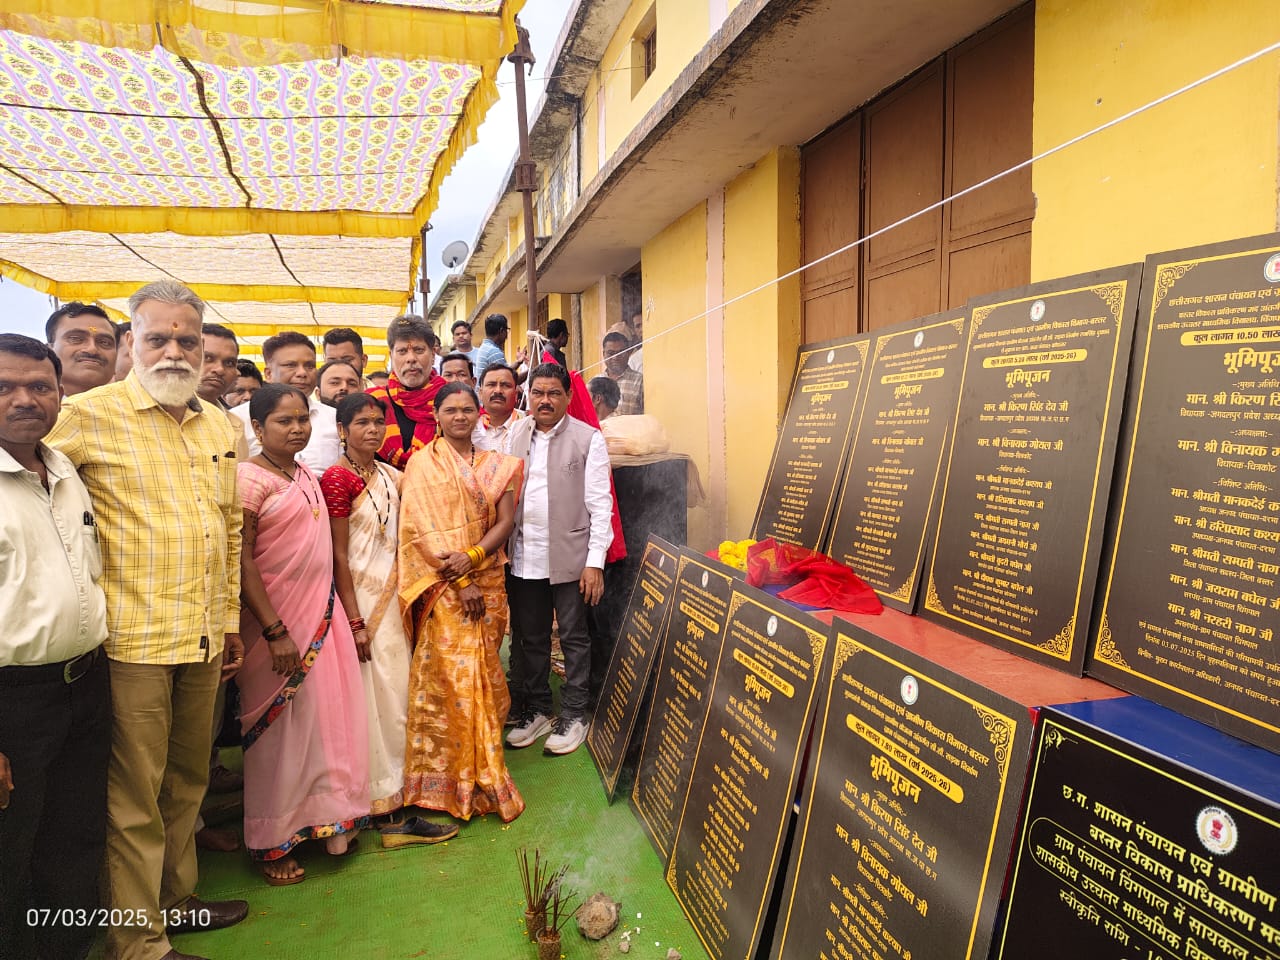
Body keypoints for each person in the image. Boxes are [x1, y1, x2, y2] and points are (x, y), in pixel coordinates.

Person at [45, 279, 249, 960]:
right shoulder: (85, 415)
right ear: (131, 341)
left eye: (186, 340)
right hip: (133, 639)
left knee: (187, 780)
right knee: (133, 794)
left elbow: (229, 528)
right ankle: (136, 942)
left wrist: (227, 620)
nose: (173, 352)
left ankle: (176, 901)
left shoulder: (218, 424)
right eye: (158, 338)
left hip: (202, 633)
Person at [0, 335, 110, 960]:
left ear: (60, 393)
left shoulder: (65, 472)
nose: (24, 399)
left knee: (73, 836)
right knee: (11, 848)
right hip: (13, 700)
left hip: (85, 684)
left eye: (39, 386)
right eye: (4, 387)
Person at [236, 384, 370, 885]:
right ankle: (271, 841)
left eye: (302, 420)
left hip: (321, 619)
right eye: (283, 421)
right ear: (257, 427)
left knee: (323, 724)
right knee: (280, 736)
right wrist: (274, 631)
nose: (297, 429)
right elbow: (242, 560)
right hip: (273, 629)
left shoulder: (305, 475)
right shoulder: (249, 480)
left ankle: (328, 824)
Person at [399, 382, 525, 820]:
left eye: (467, 409)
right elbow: (419, 532)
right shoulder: (420, 465)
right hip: (444, 588)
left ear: (478, 414)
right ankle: (446, 778)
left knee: (486, 676)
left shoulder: (500, 465)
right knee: (451, 680)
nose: (459, 417)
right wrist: (459, 579)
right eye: (450, 410)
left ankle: (482, 770)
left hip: (487, 581)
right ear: (436, 415)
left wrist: (471, 559)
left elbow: (505, 522)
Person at [505, 363, 612, 756]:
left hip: (571, 556)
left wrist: (595, 562)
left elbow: (601, 505)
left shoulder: (588, 439)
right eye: (538, 393)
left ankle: (575, 713)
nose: (545, 400)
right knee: (531, 637)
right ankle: (537, 710)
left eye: (553, 393)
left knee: (573, 637)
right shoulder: (516, 434)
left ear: (568, 396)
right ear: (528, 396)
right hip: (524, 554)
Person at [319, 393, 414, 821]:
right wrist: (355, 621)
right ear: (342, 430)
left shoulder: (388, 474)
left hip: (394, 597)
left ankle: (402, 780)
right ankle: (378, 790)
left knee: (397, 689)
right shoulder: (337, 479)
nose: (373, 430)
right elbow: (339, 556)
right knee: (371, 693)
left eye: (378, 422)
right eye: (362, 422)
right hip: (360, 600)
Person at [229, 331, 341, 474]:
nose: (302, 373)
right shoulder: (236, 419)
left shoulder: (334, 417)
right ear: (268, 374)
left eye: (309, 366)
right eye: (291, 365)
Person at [366, 316, 446, 468]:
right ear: (391, 355)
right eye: (402, 351)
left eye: (419, 350)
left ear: (433, 355)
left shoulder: (451, 400)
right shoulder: (372, 403)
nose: (411, 358)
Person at [45, 301, 118, 397]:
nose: (92, 349)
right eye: (75, 339)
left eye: (105, 342)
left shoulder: (132, 404)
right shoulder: (30, 403)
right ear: (50, 351)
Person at [476, 363, 524, 454]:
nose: (498, 391)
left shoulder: (528, 425)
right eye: (491, 384)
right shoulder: (468, 425)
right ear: (480, 393)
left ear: (516, 394)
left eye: (505, 385)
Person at [603, 331, 644, 416]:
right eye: (610, 353)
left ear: (628, 353)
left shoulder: (640, 381)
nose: (615, 357)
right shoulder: (595, 382)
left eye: (620, 353)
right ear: (604, 354)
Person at [473, 313, 509, 385]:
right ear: (502, 331)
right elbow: (507, 380)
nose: (507, 336)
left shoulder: (485, 347)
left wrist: (518, 362)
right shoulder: (494, 352)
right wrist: (530, 371)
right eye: (507, 330)